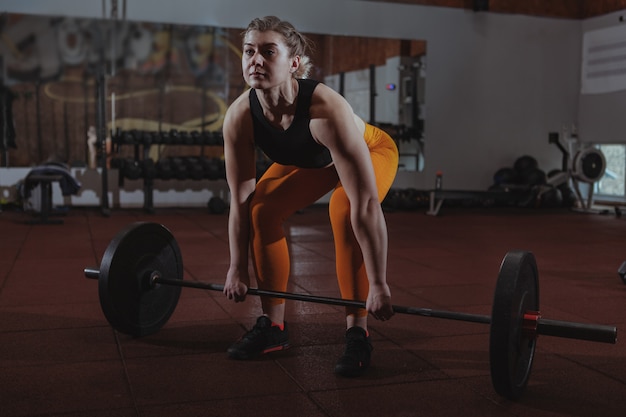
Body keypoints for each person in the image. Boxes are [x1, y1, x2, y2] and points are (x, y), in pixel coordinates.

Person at [222, 16, 399, 377]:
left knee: (344, 207)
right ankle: (274, 327)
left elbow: (366, 204)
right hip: (314, 161)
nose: (255, 60)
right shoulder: (240, 116)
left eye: (268, 52)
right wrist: (237, 267)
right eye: (249, 51)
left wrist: (379, 283)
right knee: (261, 209)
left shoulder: (324, 111)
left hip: (372, 150)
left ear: (293, 63)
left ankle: (357, 332)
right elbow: (239, 198)